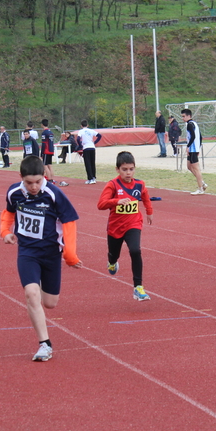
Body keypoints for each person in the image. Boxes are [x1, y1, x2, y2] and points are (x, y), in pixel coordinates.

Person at [0, 155, 82, 362]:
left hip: (51, 253)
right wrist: (5, 231)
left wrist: (70, 255)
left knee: (50, 303)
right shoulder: (14, 192)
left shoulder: (53, 194)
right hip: (27, 252)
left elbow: (69, 221)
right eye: (29, 183)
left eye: (38, 181)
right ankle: (44, 344)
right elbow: (8, 213)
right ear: (21, 178)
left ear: (44, 177)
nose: (34, 187)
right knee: (31, 293)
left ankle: (45, 304)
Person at [97, 151, 154, 301]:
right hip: (115, 227)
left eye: (131, 169)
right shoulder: (112, 185)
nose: (128, 173)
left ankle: (138, 287)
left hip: (133, 223)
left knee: (135, 250)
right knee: (113, 254)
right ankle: (112, 262)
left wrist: (149, 212)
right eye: (124, 169)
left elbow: (146, 197)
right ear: (117, 169)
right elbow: (101, 205)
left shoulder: (140, 184)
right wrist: (116, 201)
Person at [181, 109, 206, 195]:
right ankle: (202, 183)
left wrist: (188, 146)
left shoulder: (190, 125)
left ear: (189, 116)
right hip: (194, 149)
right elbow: (200, 137)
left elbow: (194, 136)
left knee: (196, 169)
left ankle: (200, 188)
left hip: (193, 149)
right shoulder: (194, 124)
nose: (182, 118)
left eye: (184, 116)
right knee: (189, 166)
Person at [77, 119, 102, 184]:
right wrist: (95, 142)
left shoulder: (81, 131)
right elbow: (99, 136)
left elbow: (78, 139)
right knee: (92, 163)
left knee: (87, 163)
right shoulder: (91, 130)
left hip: (86, 148)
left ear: (81, 126)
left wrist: (80, 145)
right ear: (87, 125)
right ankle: (93, 177)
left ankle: (90, 178)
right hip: (92, 147)